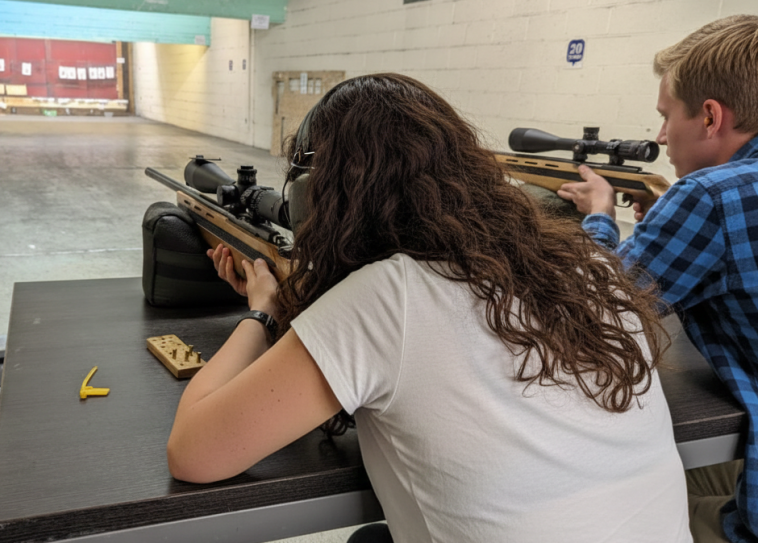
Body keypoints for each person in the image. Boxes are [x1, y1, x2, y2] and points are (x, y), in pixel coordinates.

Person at [167, 73, 692, 542]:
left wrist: (262, 312)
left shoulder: (387, 298)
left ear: (321, 198)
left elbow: (194, 452)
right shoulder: (591, 266)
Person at [557, 15, 758, 543]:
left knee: (622, 500)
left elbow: (593, 311)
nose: (661, 136)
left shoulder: (709, 196)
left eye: (668, 117)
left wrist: (599, 215)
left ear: (711, 117)